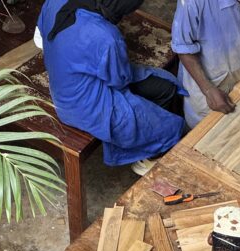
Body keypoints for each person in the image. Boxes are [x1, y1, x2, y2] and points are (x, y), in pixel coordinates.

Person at [36, 0, 185, 176]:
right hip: (79, 105)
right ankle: (149, 158)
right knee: (169, 129)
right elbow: (119, 80)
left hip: (65, 76)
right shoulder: (106, 37)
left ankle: (149, 143)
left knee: (166, 86)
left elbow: (41, 37)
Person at [171, 0, 240, 128]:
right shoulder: (194, 3)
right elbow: (183, 47)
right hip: (210, 86)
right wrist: (208, 90)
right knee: (208, 135)